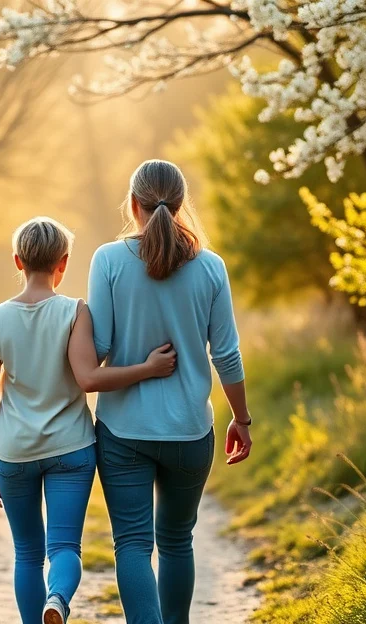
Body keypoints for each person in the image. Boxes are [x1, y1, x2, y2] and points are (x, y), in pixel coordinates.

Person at [0, 216, 177, 624]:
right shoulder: (74, 312)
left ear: (18, 261)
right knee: (64, 547)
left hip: (12, 452)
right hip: (71, 448)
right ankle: (58, 600)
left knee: (27, 553)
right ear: (63, 263)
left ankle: (40, 614)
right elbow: (89, 379)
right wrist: (148, 368)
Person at [87, 159, 254, 624]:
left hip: (123, 432)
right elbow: (227, 356)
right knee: (178, 540)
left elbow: (97, 349)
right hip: (189, 431)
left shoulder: (108, 260)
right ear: (180, 205)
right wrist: (242, 419)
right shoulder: (212, 267)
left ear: (134, 204)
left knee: (133, 544)